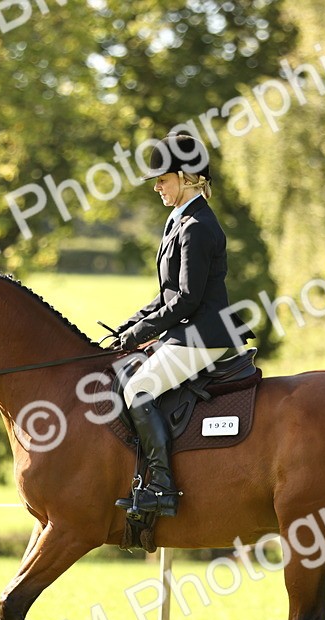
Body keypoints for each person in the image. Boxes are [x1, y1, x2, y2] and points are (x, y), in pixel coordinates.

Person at [109, 133, 251, 517]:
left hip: (202, 337)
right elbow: (166, 294)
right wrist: (128, 328)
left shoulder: (197, 226)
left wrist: (141, 334)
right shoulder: (181, 222)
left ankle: (161, 486)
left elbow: (185, 299)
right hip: (186, 332)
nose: (157, 186)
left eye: (163, 179)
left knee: (138, 389)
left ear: (188, 178)